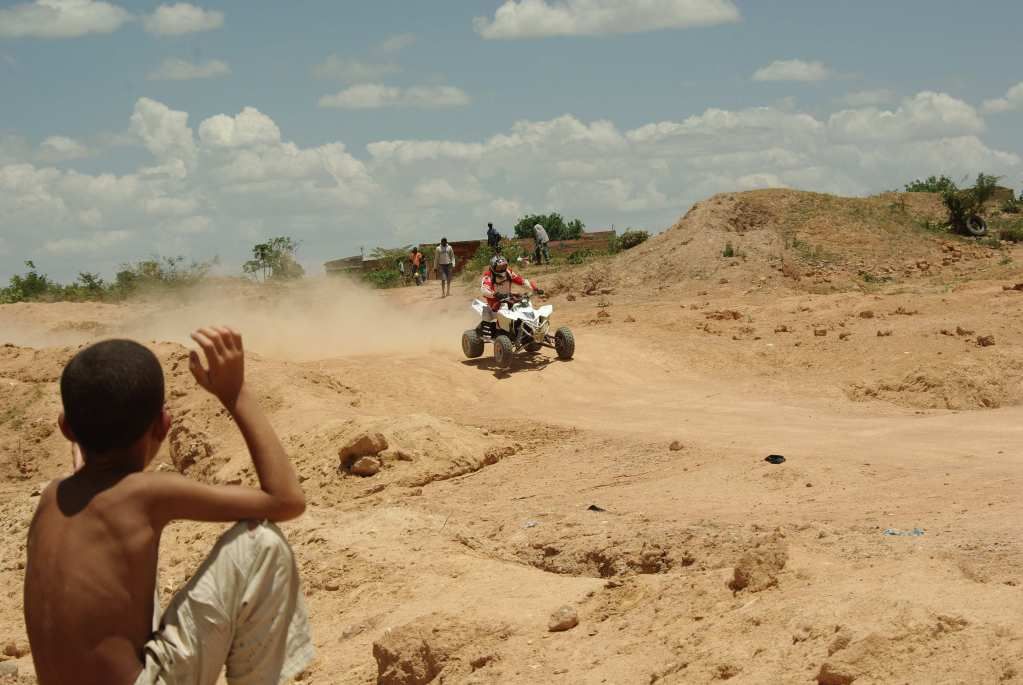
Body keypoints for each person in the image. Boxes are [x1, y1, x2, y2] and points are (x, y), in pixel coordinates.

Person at [24, 329, 313, 685]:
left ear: (66, 428)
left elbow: (95, 483)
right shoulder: (148, 493)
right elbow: (286, 500)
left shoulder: (54, 496)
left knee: (129, 567)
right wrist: (236, 394)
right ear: (164, 424)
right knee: (261, 542)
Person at [479, 256, 541, 337]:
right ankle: (500, 331)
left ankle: (529, 326)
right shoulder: (488, 275)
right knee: (503, 309)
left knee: (524, 303)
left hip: (508, 297)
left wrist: (534, 288)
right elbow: (484, 289)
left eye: (503, 266)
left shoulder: (508, 272)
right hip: (495, 301)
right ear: (493, 267)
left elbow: (521, 281)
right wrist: (495, 294)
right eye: (499, 267)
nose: (502, 269)